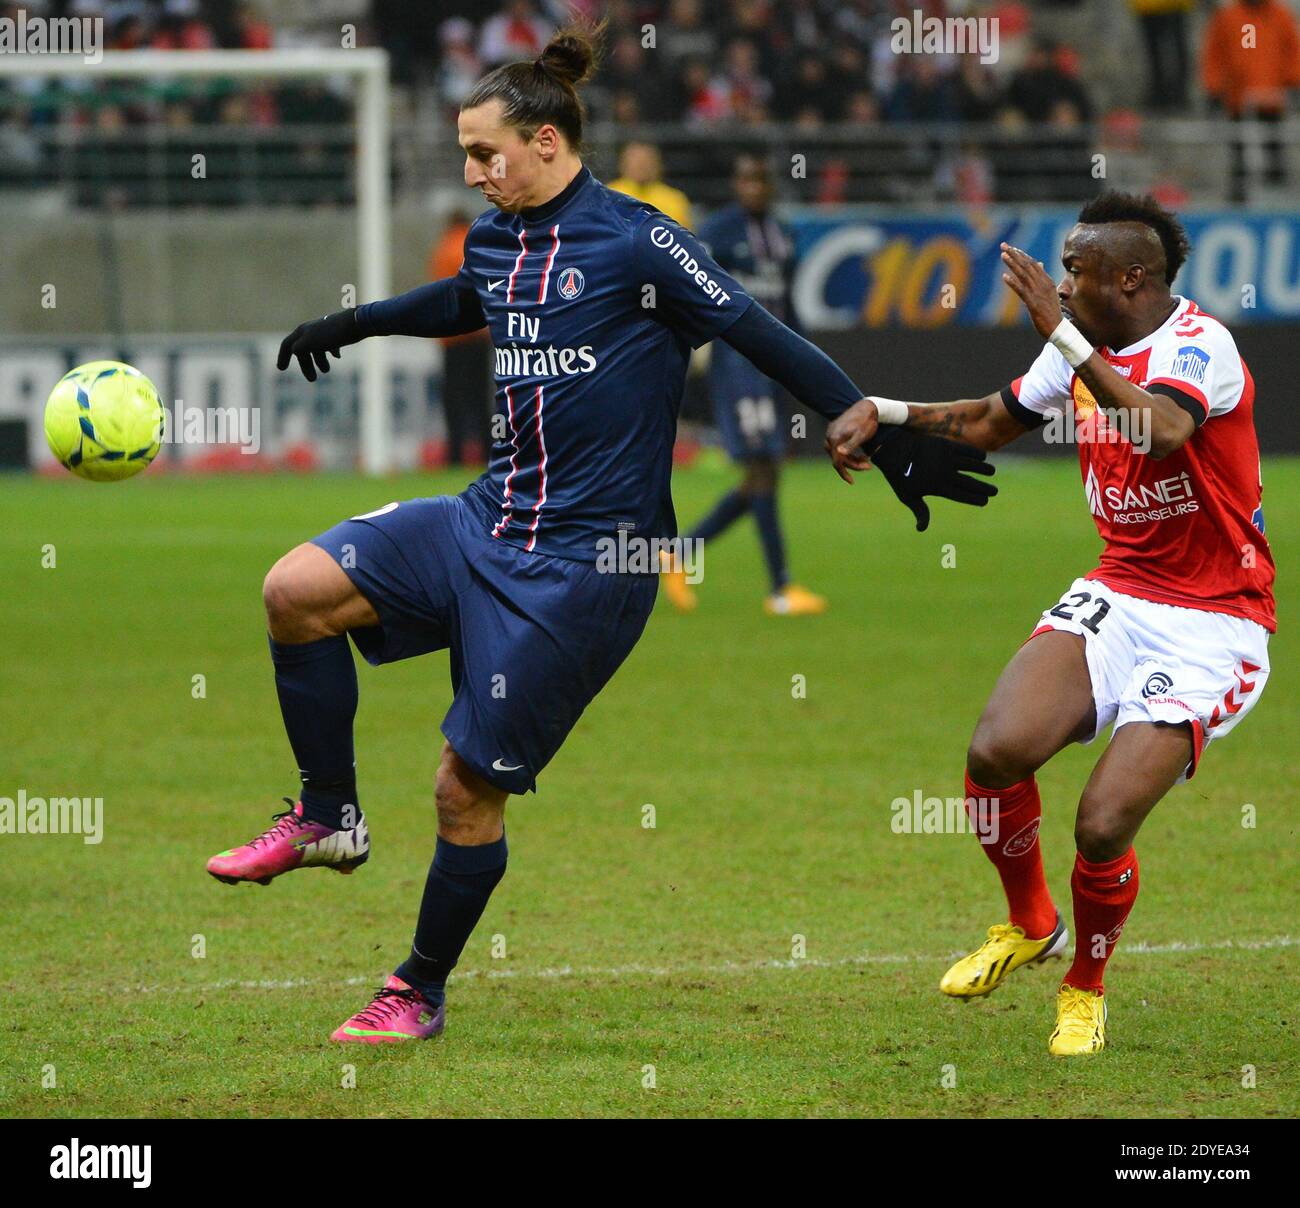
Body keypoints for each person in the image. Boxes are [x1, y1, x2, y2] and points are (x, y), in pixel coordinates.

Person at [205, 23, 997, 1044]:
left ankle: (417, 988)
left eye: (485, 152)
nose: (472, 172)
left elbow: (756, 328)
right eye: (463, 154)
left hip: (586, 569)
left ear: (545, 141)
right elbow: (463, 295)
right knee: (293, 589)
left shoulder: (636, 240)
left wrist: (879, 432)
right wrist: (351, 324)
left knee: (462, 788)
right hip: (483, 518)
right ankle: (328, 815)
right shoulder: (495, 233)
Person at [826, 192, 1274, 1056]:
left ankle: (1085, 986)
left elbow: (1163, 432)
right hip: (1121, 591)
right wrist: (881, 412)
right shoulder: (1079, 353)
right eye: (1062, 270)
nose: (1062, 282)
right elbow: (993, 421)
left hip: (1216, 619)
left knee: (1103, 822)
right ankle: (1031, 922)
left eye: (1077, 268)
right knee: (996, 749)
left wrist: (1062, 337)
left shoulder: (1198, 344)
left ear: (1130, 277)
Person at [663, 152, 823, 617]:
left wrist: (804, 363)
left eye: (760, 179)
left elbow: (789, 306)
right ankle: (780, 587)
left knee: (765, 473)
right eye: (745, 179)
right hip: (738, 366)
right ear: (736, 185)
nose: (753, 187)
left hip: (774, 366)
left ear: (770, 185)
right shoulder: (717, 233)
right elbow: (691, 291)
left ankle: (682, 552)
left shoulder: (785, 235)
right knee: (763, 468)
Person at [1201, 0, 1300, 202]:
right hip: (1238, 98)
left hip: (1272, 97)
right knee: (1239, 153)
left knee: (1274, 150)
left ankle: (1277, 196)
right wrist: (1213, 87)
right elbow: (1215, 53)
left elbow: (1292, 49)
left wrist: (1294, 81)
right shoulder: (1228, 16)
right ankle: (1239, 198)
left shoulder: (1280, 15)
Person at [427, 209, 492, 465]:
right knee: (481, 400)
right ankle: (488, 454)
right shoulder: (475, 246)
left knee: (454, 401)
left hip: (453, 339)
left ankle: (455, 455)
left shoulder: (444, 249)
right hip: (478, 336)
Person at [606, 140, 693, 228]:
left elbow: (681, 237)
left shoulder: (674, 199)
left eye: (646, 161)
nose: (641, 165)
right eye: (635, 161)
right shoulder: (607, 195)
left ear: (658, 165)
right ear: (622, 164)